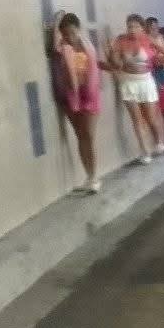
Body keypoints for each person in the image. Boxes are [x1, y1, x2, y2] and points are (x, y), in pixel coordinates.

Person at [50, 11, 101, 194]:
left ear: (78, 30)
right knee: (80, 136)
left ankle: (94, 176)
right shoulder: (64, 47)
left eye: (72, 33)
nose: (69, 37)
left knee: (89, 135)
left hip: (89, 95)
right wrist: (56, 23)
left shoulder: (88, 47)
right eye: (65, 34)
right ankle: (89, 176)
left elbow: (93, 71)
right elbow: (54, 44)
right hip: (72, 96)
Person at [108, 14, 164, 161]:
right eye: (129, 26)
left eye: (135, 26)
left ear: (142, 28)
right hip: (128, 82)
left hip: (146, 81)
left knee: (151, 118)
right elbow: (116, 63)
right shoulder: (121, 41)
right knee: (136, 119)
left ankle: (158, 141)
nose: (132, 29)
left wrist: (162, 62)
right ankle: (145, 151)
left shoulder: (148, 40)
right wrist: (112, 52)